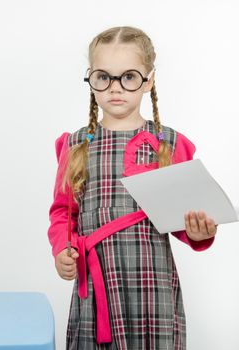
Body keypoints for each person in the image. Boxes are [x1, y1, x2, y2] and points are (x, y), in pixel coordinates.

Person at [48, 26, 218, 349]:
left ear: (148, 80)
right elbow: (63, 213)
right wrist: (62, 250)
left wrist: (198, 232)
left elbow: (184, 219)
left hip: (151, 288)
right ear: (91, 79)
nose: (115, 88)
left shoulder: (168, 144)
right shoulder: (76, 146)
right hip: (98, 289)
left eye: (128, 77)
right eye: (103, 77)